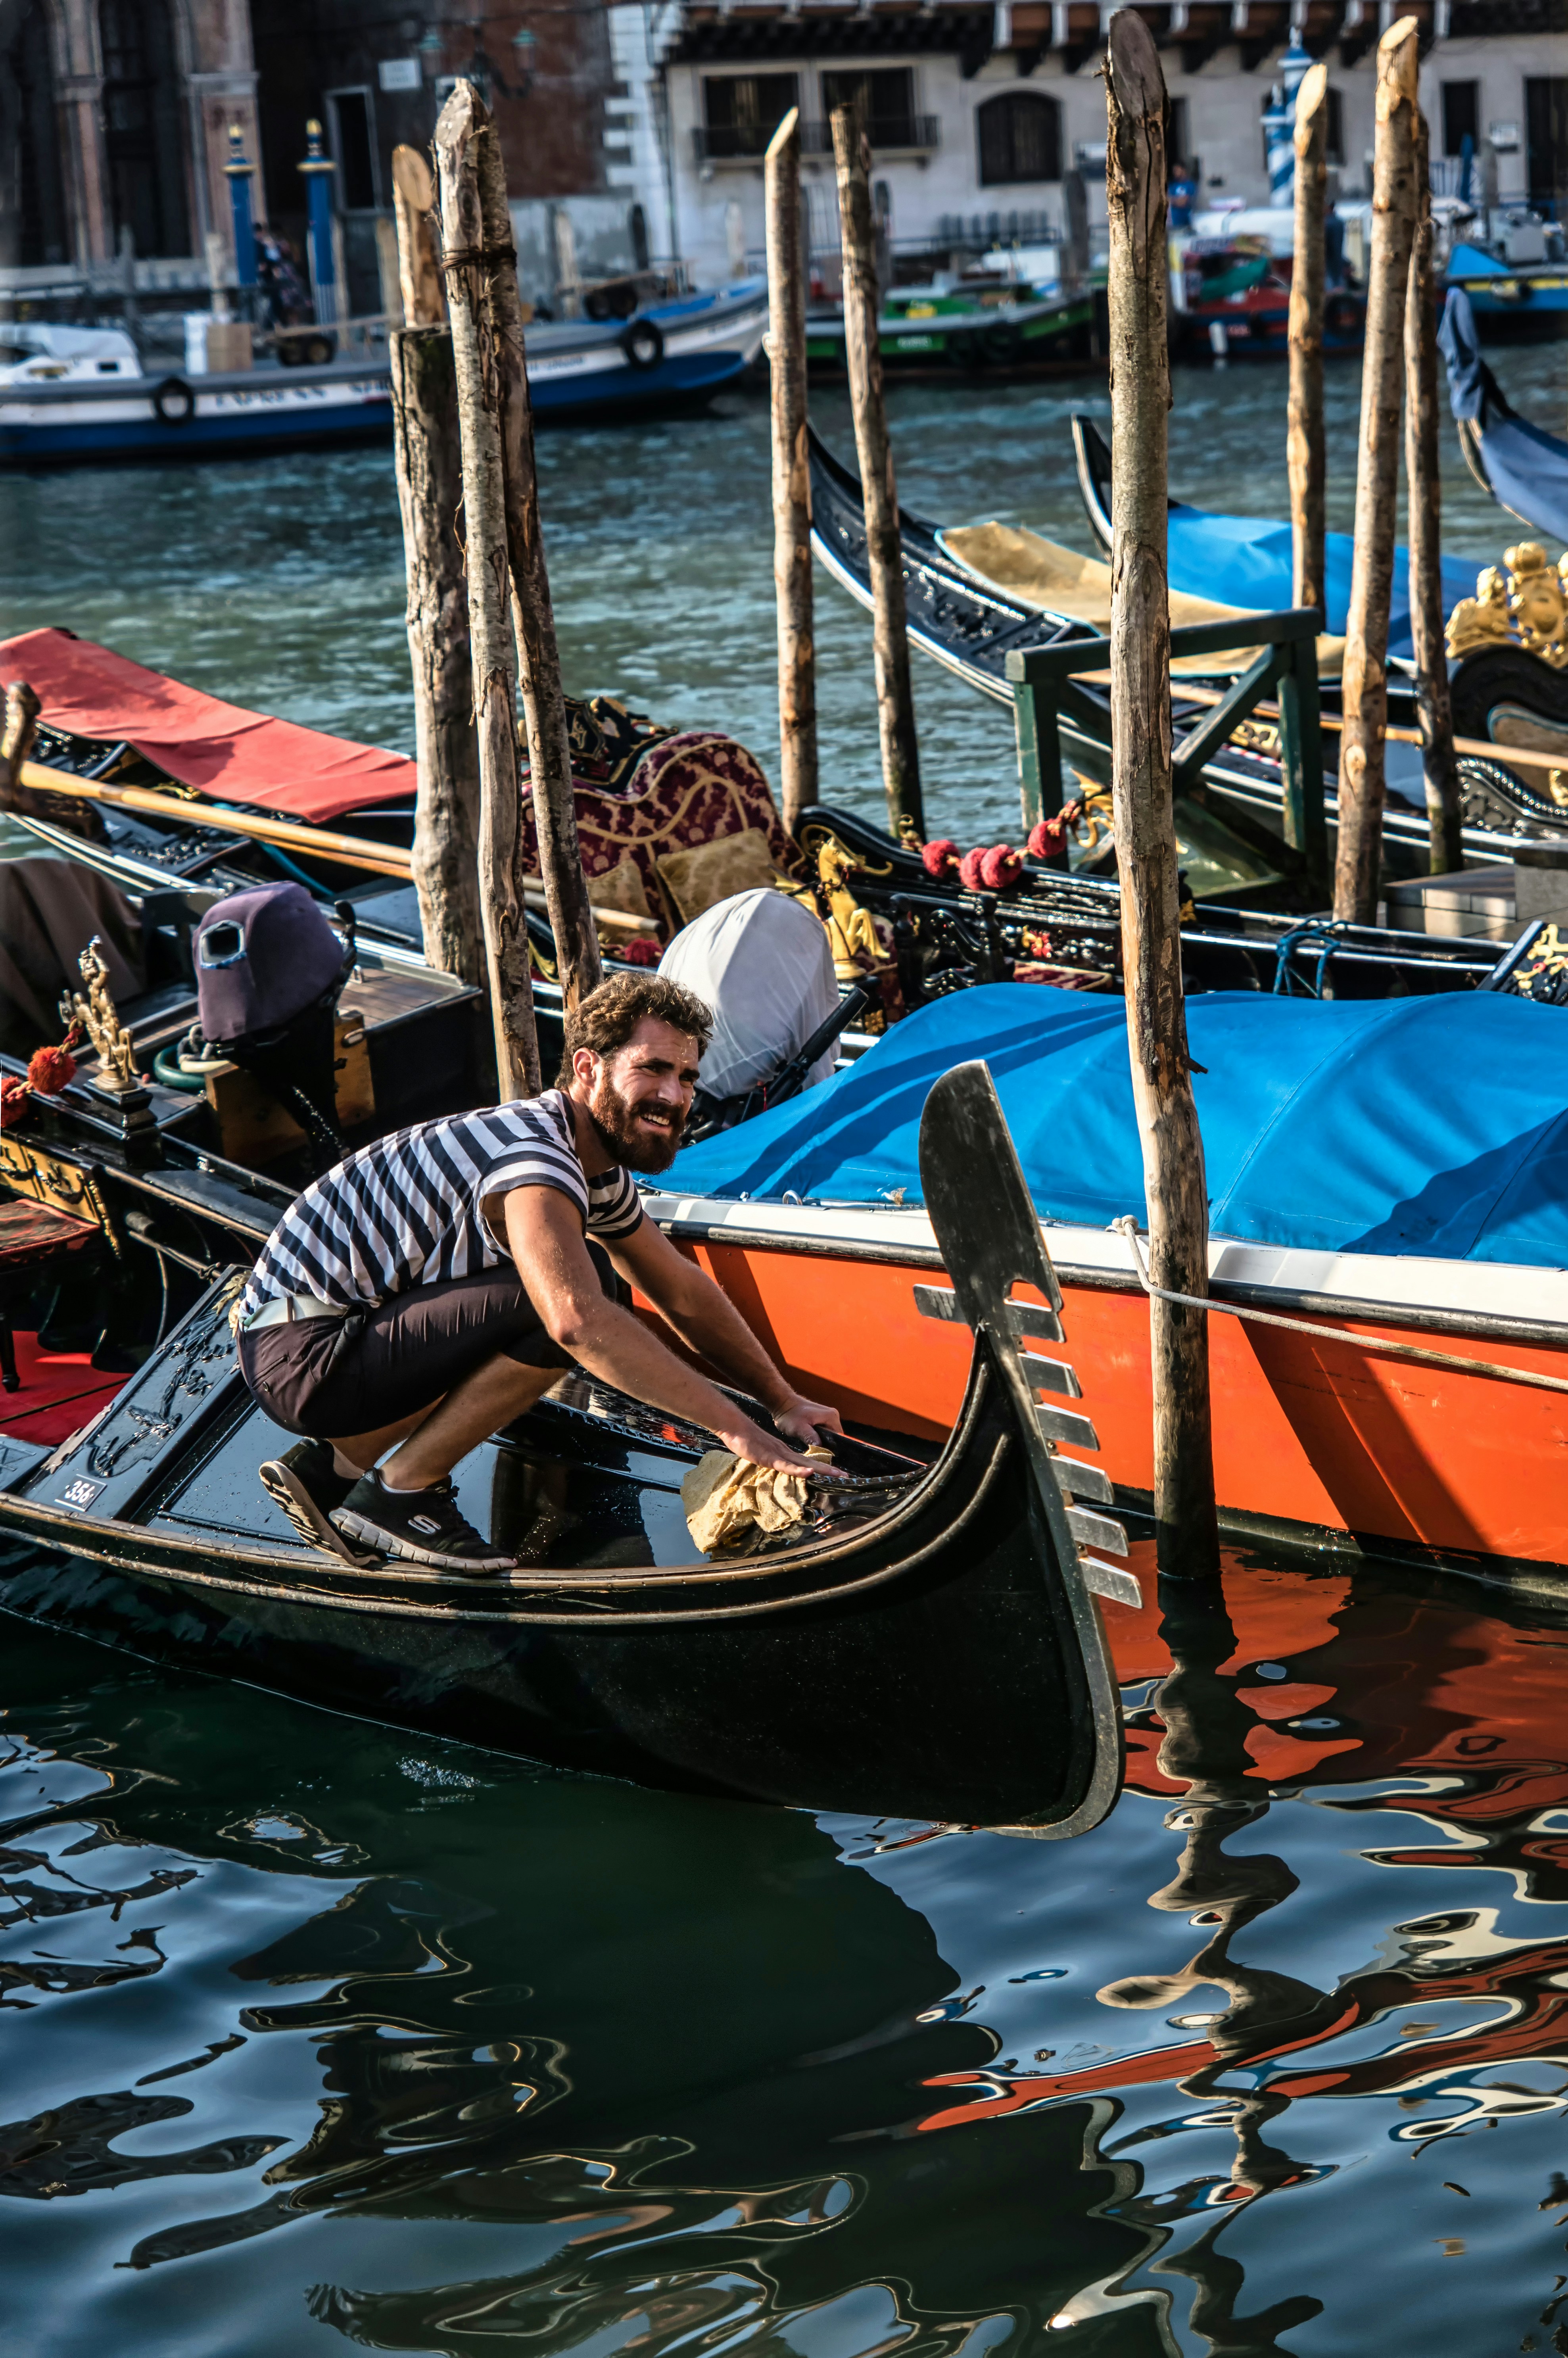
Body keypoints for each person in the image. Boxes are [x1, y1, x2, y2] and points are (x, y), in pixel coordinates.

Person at [238, 971, 840, 1572]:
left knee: (575, 1285)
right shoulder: (536, 1156)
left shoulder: (592, 1168)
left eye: (686, 1078)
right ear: (586, 1069)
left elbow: (679, 1289)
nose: (675, 1096)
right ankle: (400, 1492)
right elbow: (576, 1321)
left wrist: (780, 1402)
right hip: (304, 1355)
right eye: (652, 1069)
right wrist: (740, 1433)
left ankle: (334, 1469)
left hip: (319, 1340)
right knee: (571, 1296)